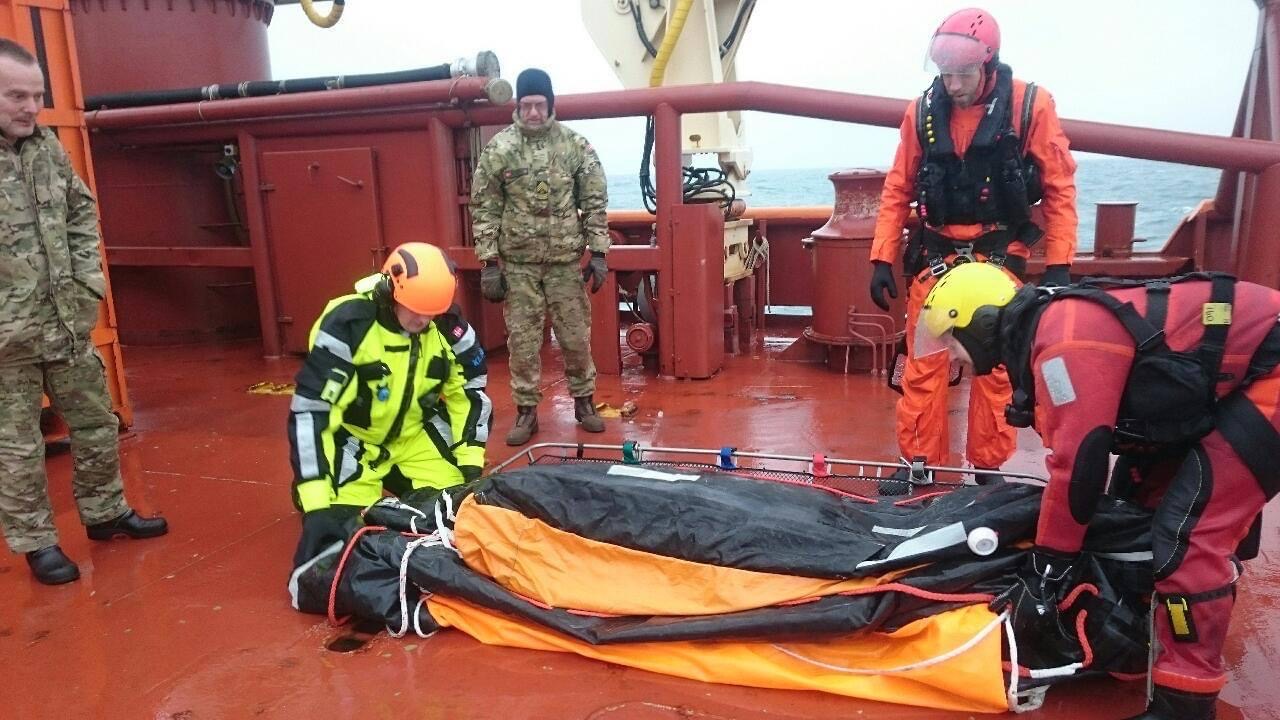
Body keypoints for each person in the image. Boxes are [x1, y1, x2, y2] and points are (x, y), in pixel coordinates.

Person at [915, 261, 1280, 720]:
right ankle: (1138, 640)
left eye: (952, 340)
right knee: (1135, 509)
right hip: (1228, 381)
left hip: (1269, 374)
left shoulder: (1063, 342)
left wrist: (1048, 565)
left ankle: (1186, 698)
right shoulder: (1050, 328)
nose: (951, 356)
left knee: (1187, 537)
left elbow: (1080, 464)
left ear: (982, 323)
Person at [867, 7, 1078, 488]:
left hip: (999, 260)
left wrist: (1060, 265)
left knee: (995, 370)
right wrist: (882, 256)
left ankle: (987, 467)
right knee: (922, 366)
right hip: (936, 259)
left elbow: (1059, 188)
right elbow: (898, 187)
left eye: (962, 73)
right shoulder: (921, 112)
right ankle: (920, 465)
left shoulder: (1030, 106)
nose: (953, 83)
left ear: (988, 64)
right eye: (946, 73)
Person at [0, 39, 168, 585]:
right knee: (17, 447)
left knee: (97, 423)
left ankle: (104, 512)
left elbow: (79, 211)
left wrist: (85, 285)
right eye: (17, 96)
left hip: (66, 324)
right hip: (7, 341)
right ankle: (37, 543)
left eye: (37, 95)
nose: (31, 107)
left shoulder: (47, 147)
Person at [288, 242, 492, 568]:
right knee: (347, 536)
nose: (423, 319)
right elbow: (313, 411)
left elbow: (468, 392)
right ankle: (313, 488)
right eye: (415, 309)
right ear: (389, 290)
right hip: (354, 441)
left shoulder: (448, 327)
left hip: (413, 437)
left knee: (458, 510)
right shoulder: (347, 325)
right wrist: (315, 501)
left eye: (431, 311)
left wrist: (470, 463)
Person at [470, 67, 610, 446]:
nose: (533, 112)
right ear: (518, 106)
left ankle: (584, 402)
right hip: (519, 267)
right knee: (523, 342)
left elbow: (594, 201)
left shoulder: (575, 147)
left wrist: (598, 252)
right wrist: (489, 263)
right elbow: (484, 207)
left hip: (565, 264)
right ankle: (526, 411)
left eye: (540, 105)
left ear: (550, 105)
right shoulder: (500, 149)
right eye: (527, 105)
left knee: (575, 338)